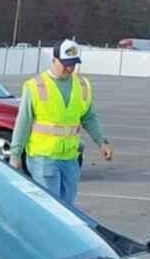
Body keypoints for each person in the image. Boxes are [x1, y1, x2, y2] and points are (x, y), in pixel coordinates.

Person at [8, 39, 113, 213]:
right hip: (43, 158)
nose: (70, 68)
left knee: (67, 209)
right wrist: (15, 155)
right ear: (54, 60)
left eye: (73, 64)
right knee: (51, 208)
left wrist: (102, 142)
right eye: (66, 64)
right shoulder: (35, 86)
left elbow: (89, 117)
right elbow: (23, 121)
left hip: (71, 158)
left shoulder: (82, 85)